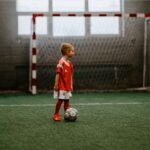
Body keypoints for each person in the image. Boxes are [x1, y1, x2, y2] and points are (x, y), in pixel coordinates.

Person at [53, 43, 75, 121]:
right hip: (61, 86)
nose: (73, 52)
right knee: (60, 100)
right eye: (72, 51)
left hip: (67, 86)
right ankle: (56, 114)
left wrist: (71, 85)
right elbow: (57, 74)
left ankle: (67, 114)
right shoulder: (61, 62)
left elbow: (70, 76)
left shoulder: (70, 64)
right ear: (67, 52)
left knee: (67, 101)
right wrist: (56, 84)